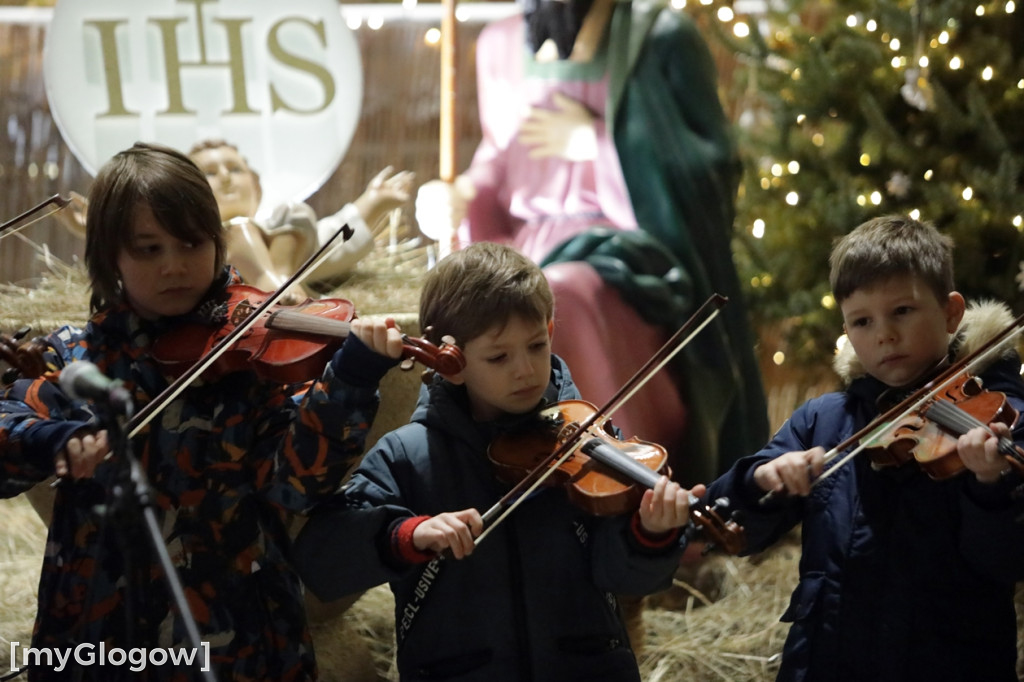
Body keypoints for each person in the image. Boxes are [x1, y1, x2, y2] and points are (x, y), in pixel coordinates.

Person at [0, 142, 405, 681]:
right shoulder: (76, 359)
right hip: (104, 630)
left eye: (191, 243)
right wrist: (52, 442)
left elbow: (297, 485)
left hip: (241, 631)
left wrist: (350, 382)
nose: (174, 265)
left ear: (218, 242)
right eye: (148, 249)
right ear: (109, 257)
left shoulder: (249, 356)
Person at [292, 241, 708, 682]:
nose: (526, 370)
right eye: (499, 356)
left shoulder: (589, 443)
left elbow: (625, 576)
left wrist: (652, 535)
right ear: (450, 362)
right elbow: (323, 559)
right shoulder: (407, 456)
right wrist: (409, 534)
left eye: (536, 345)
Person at [415, 0, 768, 483]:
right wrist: (462, 194)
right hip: (524, 242)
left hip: (625, 244)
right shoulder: (499, 43)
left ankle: (621, 487)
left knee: (560, 296)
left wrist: (600, 144)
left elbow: (707, 166)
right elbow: (500, 152)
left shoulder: (661, 36)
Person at [703, 215, 1024, 681]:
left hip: (951, 662)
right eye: (862, 321)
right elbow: (734, 526)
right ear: (847, 330)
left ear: (952, 312)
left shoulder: (1001, 416)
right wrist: (762, 480)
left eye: (903, 312)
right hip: (826, 661)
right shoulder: (824, 420)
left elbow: (1008, 561)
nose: (884, 335)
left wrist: (990, 486)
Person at [187, 139, 414, 299]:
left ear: (256, 188)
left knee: (296, 212)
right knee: (238, 229)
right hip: (233, 317)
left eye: (235, 169)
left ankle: (283, 278)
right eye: (210, 173)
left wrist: (373, 201)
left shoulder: (282, 229)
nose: (226, 177)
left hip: (295, 314)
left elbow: (333, 238)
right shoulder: (198, 248)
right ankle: (274, 286)